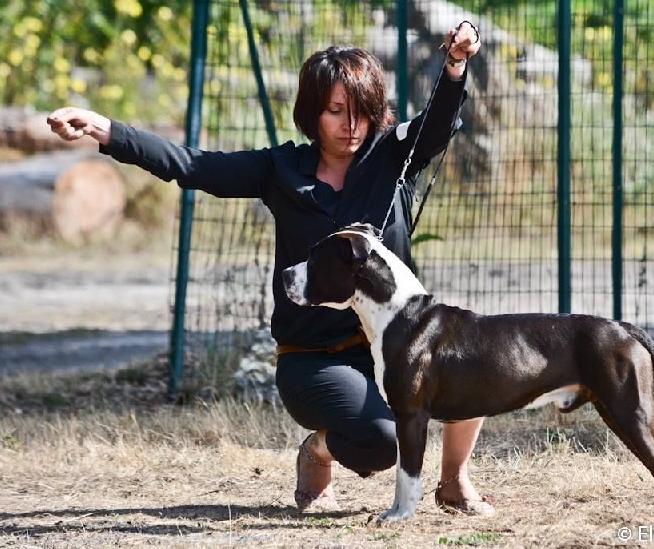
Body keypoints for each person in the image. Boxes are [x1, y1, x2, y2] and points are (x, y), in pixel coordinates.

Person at [47, 21, 491, 516]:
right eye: (336, 111)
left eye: (362, 112)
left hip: (392, 343)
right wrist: (107, 130)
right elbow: (191, 165)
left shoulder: (394, 155)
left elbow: (437, 122)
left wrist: (455, 63)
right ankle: (318, 451)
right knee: (381, 442)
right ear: (312, 113)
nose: (351, 125)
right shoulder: (280, 170)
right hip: (316, 358)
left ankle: (454, 482)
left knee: (469, 360)